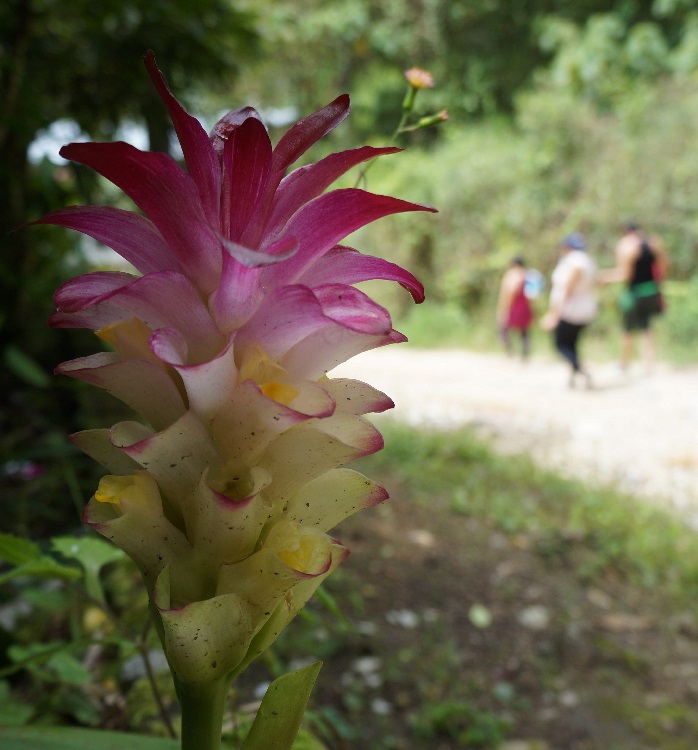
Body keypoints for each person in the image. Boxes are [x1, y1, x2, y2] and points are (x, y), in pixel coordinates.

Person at [597, 222, 669, 373]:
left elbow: (626, 274)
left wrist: (605, 277)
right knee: (646, 327)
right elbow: (663, 267)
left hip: (634, 292)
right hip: (651, 291)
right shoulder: (653, 243)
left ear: (625, 232)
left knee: (628, 328)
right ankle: (648, 364)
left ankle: (624, 363)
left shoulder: (627, 246)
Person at [541, 233, 598, 388]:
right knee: (572, 344)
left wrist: (554, 313)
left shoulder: (575, 261)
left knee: (560, 345)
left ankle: (580, 369)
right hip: (584, 308)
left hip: (570, 310)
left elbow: (568, 288)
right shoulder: (588, 260)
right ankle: (573, 376)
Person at [496, 256, 534, 359]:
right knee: (524, 331)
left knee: (503, 328)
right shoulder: (527, 275)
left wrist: (505, 307)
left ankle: (509, 352)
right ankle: (525, 354)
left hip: (513, 306)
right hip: (525, 307)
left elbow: (509, 292)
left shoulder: (512, 275)